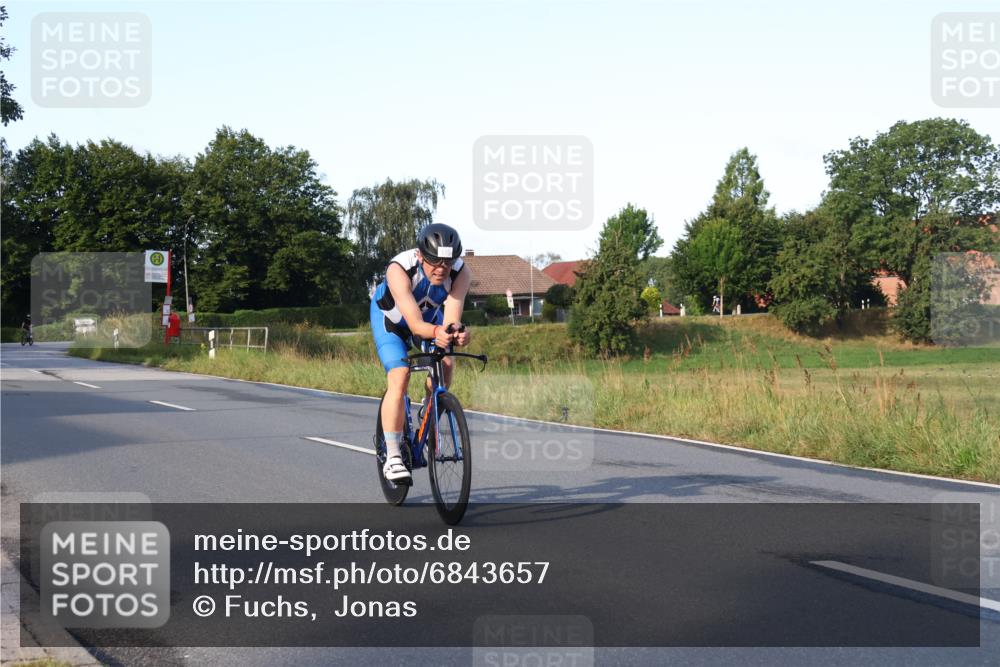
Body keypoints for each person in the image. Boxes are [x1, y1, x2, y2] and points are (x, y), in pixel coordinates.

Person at [370, 224, 472, 483]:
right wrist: (439, 331)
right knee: (400, 375)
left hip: (429, 320)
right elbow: (415, 325)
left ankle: (429, 409)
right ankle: (393, 455)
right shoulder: (399, 269)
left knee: (446, 363)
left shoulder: (461, 272)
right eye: (435, 262)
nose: (441, 269)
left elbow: (451, 318)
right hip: (391, 322)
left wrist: (458, 332)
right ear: (420, 256)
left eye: (448, 262)